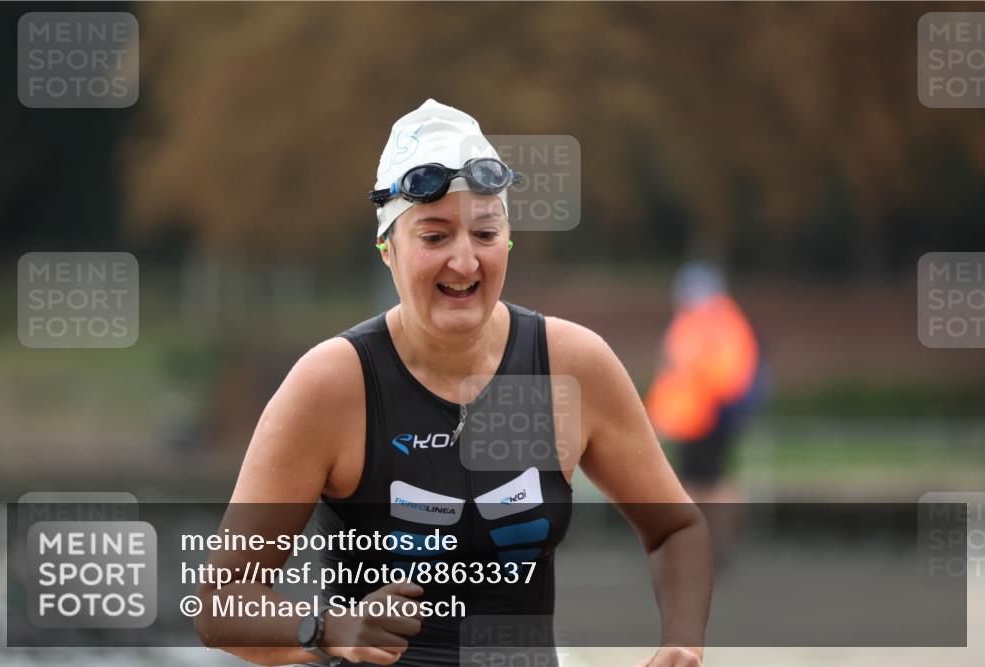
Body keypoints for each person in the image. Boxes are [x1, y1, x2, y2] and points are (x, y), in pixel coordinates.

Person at [195, 99, 711, 667]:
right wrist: (327, 627)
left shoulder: (571, 365)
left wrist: (680, 646)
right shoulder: (332, 385)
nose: (464, 262)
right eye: (434, 237)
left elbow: (676, 528)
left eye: (485, 233)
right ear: (387, 250)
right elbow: (219, 604)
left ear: (508, 241)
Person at [644, 262, 767, 561]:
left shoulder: (709, 324)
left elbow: (714, 374)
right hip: (698, 418)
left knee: (700, 483)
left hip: (704, 418)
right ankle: (705, 545)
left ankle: (700, 547)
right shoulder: (715, 321)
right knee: (705, 481)